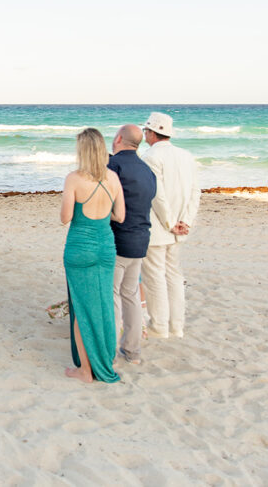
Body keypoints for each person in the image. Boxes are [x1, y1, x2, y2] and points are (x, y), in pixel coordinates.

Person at [60, 128, 125, 384]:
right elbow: (120, 216)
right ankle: (106, 358)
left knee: (82, 309)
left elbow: (65, 217)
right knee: (104, 304)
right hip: (106, 246)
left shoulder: (74, 178)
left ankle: (85, 371)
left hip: (80, 248)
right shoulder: (113, 178)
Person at [140, 112, 200, 339]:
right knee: (173, 275)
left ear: (151, 132)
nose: (145, 134)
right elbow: (195, 192)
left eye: (146, 130)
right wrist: (186, 220)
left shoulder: (150, 157)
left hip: (158, 227)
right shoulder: (186, 156)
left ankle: (160, 326)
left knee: (155, 277)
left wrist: (170, 222)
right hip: (180, 226)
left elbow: (157, 195)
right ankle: (177, 326)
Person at [107, 125, 156, 363]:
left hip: (119, 239)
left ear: (118, 139)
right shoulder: (147, 170)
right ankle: (133, 351)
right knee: (131, 295)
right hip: (141, 239)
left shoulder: (114, 166)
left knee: (114, 295)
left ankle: (111, 350)